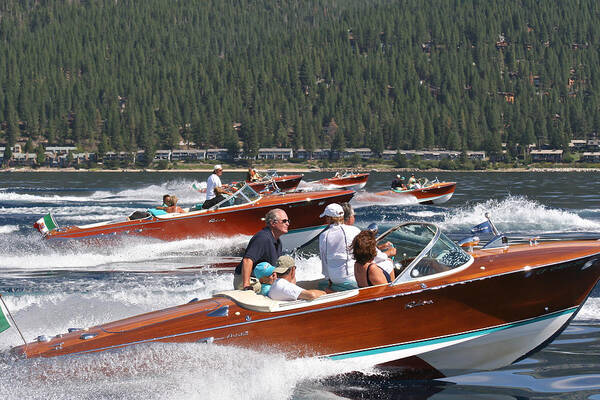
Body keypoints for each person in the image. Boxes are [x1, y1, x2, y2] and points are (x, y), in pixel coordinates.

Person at [233, 208, 290, 290]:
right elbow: (247, 260)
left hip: (262, 279)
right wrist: (246, 286)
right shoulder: (262, 238)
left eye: (288, 221)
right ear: (273, 223)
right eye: (284, 221)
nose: (287, 224)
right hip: (247, 280)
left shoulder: (278, 241)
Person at [341, 202, 396, 278]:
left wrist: (379, 247)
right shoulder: (354, 231)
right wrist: (389, 252)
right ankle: (392, 288)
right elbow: (378, 257)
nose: (354, 218)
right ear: (349, 218)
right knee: (388, 263)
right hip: (351, 274)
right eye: (353, 216)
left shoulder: (326, 234)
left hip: (333, 275)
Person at [318, 203, 360, 291]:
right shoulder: (355, 230)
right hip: (352, 278)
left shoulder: (323, 235)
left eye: (326, 217)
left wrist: (328, 278)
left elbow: (324, 260)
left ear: (330, 218)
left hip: (334, 279)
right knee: (387, 264)